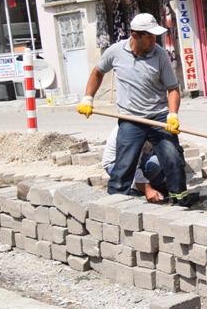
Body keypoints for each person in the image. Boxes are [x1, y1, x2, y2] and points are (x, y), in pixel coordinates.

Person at [77, 13, 192, 207]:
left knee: (173, 158)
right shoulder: (115, 52)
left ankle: (181, 202)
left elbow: (173, 89)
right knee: (124, 164)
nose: (154, 41)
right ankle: (114, 205)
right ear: (135, 35)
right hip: (130, 119)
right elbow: (97, 72)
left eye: (155, 36)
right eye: (149, 37)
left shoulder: (160, 55)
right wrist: (88, 98)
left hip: (158, 117)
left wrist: (172, 115)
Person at [101, 126, 166, 204]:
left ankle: (149, 186)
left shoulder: (152, 128)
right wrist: (147, 189)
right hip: (116, 165)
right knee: (156, 163)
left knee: (165, 158)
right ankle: (133, 188)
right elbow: (131, 165)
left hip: (139, 158)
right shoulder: (132, 131)